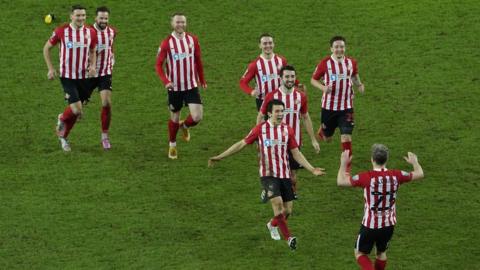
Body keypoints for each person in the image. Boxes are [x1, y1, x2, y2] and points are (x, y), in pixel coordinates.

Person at [209, 99, 326, 250]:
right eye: (277, 111)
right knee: (278, 205)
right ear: (269, 113)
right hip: (268, 174)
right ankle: (289, 238)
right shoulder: (260, 129)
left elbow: (296, 153)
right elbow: (241, 144)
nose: (280, 114)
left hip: (284, 174)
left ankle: (272, 224)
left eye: (282, 111)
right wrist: (220, 156)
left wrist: (312, 169)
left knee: (287, 211)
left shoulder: (287, 130)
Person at [337, 144, 424, 270]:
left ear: (372, 159)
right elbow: (419, 173)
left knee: (360, 253)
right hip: (388, 224)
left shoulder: (366, 177)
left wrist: (343, 163)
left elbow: (341, 181)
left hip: (370, 225)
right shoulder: (396, 175)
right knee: (381, 253)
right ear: (386, 159)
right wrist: (415, 162)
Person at [257, 65, 320, 201]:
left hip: (294, 142)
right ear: (281, 78)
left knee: (292, 174)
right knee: (273, 171)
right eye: (287, 76)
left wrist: (313, 139)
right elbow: (261, 116)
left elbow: (305, 117)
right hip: (274, 141)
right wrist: (259, 138)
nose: (290, 79)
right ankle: (269, 190)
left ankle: (291, 191)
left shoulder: (301, 96)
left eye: (292, 76)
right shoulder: (271, 96)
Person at [43, 4, 97, 151]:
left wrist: (92, 66)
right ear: (71, 16)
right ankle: (62, 123)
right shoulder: (62, 31)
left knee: (76, 112)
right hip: (67, 76)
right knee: (77, 109)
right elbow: (46, 48)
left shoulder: (91, 32)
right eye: (78, 15)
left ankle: (63, 135)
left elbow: (93, 50)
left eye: (83, 16)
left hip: (84, 77)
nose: (81, 18)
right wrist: (51, 69)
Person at [155, 13, 206, 159]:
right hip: (174, 88)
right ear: (172, 24)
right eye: (178, 22)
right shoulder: (166, 43)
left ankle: (185, 126)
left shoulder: (192, 40)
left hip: (191, 85)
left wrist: (202, 79)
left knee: (197, 116)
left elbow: (198, 60)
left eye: (183, 22)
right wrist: (166, 82)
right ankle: (172, 145)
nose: (180, 25)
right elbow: (158, 65)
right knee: (174, 118)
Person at [310, 36, 365, 172]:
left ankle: (347, 168)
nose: (339, 49)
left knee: (346, 135)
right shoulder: (324, 63)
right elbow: (313, 80)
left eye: (341, 47)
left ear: (344, 48)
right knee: (327, 138)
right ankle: (323, 132)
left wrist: (359, 85)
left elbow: (354, 75)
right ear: (331, 49)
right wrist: (323, 88)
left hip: (346, 107)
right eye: (336, 47)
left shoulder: (351, 62)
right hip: (329, 107)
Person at [239, 33, 301, 111]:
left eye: (270, 43)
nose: (268, 46)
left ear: (273, 44)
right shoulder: (255, 65)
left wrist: (298, 84)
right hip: (263, 101)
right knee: (265, 123)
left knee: (283, 122)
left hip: (281, 98)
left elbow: (289, 75)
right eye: (265, 43)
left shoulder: (282, 61)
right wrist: (251, 91)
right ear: (260, 45)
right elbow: (242, 82)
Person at [89, 6, 116, 149]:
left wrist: (112, 59)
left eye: (106, 18)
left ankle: (104, 136)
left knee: (106, 103)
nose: (103, 21)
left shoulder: (112, 32)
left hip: (105, 73)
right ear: (95, 18)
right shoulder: (87, 33)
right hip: (88, 74)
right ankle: (63, 118)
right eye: (101, 18)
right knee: (76, 109)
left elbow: (111, 47)